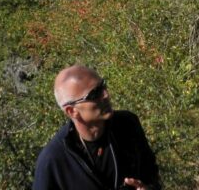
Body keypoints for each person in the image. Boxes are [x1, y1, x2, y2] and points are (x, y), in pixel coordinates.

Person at [33, 65, 161, 190]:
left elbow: (151, 173)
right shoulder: (53, 160)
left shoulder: (127, 125)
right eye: (94, 94)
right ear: (72, 111)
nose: (105, 95)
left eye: (103, 86)